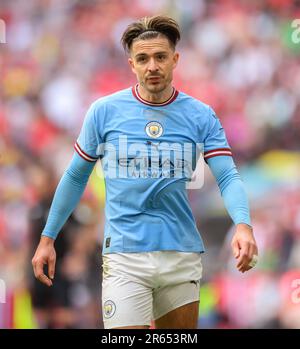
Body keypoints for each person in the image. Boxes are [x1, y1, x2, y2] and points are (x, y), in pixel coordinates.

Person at [32, 15, 258, 329]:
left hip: (180, 253)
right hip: (125, 257)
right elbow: (75, 176)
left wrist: (243, 225)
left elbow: (228, 176)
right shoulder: (104, 112)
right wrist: (48, 237)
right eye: (143, 58)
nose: (152, 65)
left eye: (160, 57)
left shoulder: (200, 115)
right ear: (132, 64)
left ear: (175, 59)